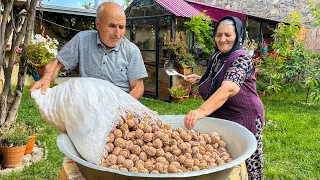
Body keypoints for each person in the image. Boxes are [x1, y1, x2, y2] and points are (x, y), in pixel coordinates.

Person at [184, 16, 264, 180]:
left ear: (238, 36)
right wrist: (201, 79)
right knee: (224, 157)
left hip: (244, 117)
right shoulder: (217, 56)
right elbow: (220, 78)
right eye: (219, 34)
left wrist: (201, 111)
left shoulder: (242, 59)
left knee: (247, 162)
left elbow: (228, 88)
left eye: (228, 35)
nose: (222, 39)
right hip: (224, 116)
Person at [30, 2, 148, 100]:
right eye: (112, 26)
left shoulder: (131, 51)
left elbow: (138, 87)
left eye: (121, 27)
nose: (117, 33)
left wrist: (121, 108)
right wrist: (46, 77)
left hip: (119, 105)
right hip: (87, 104)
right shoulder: (82, 40)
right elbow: (58, 63)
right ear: (98, 24)